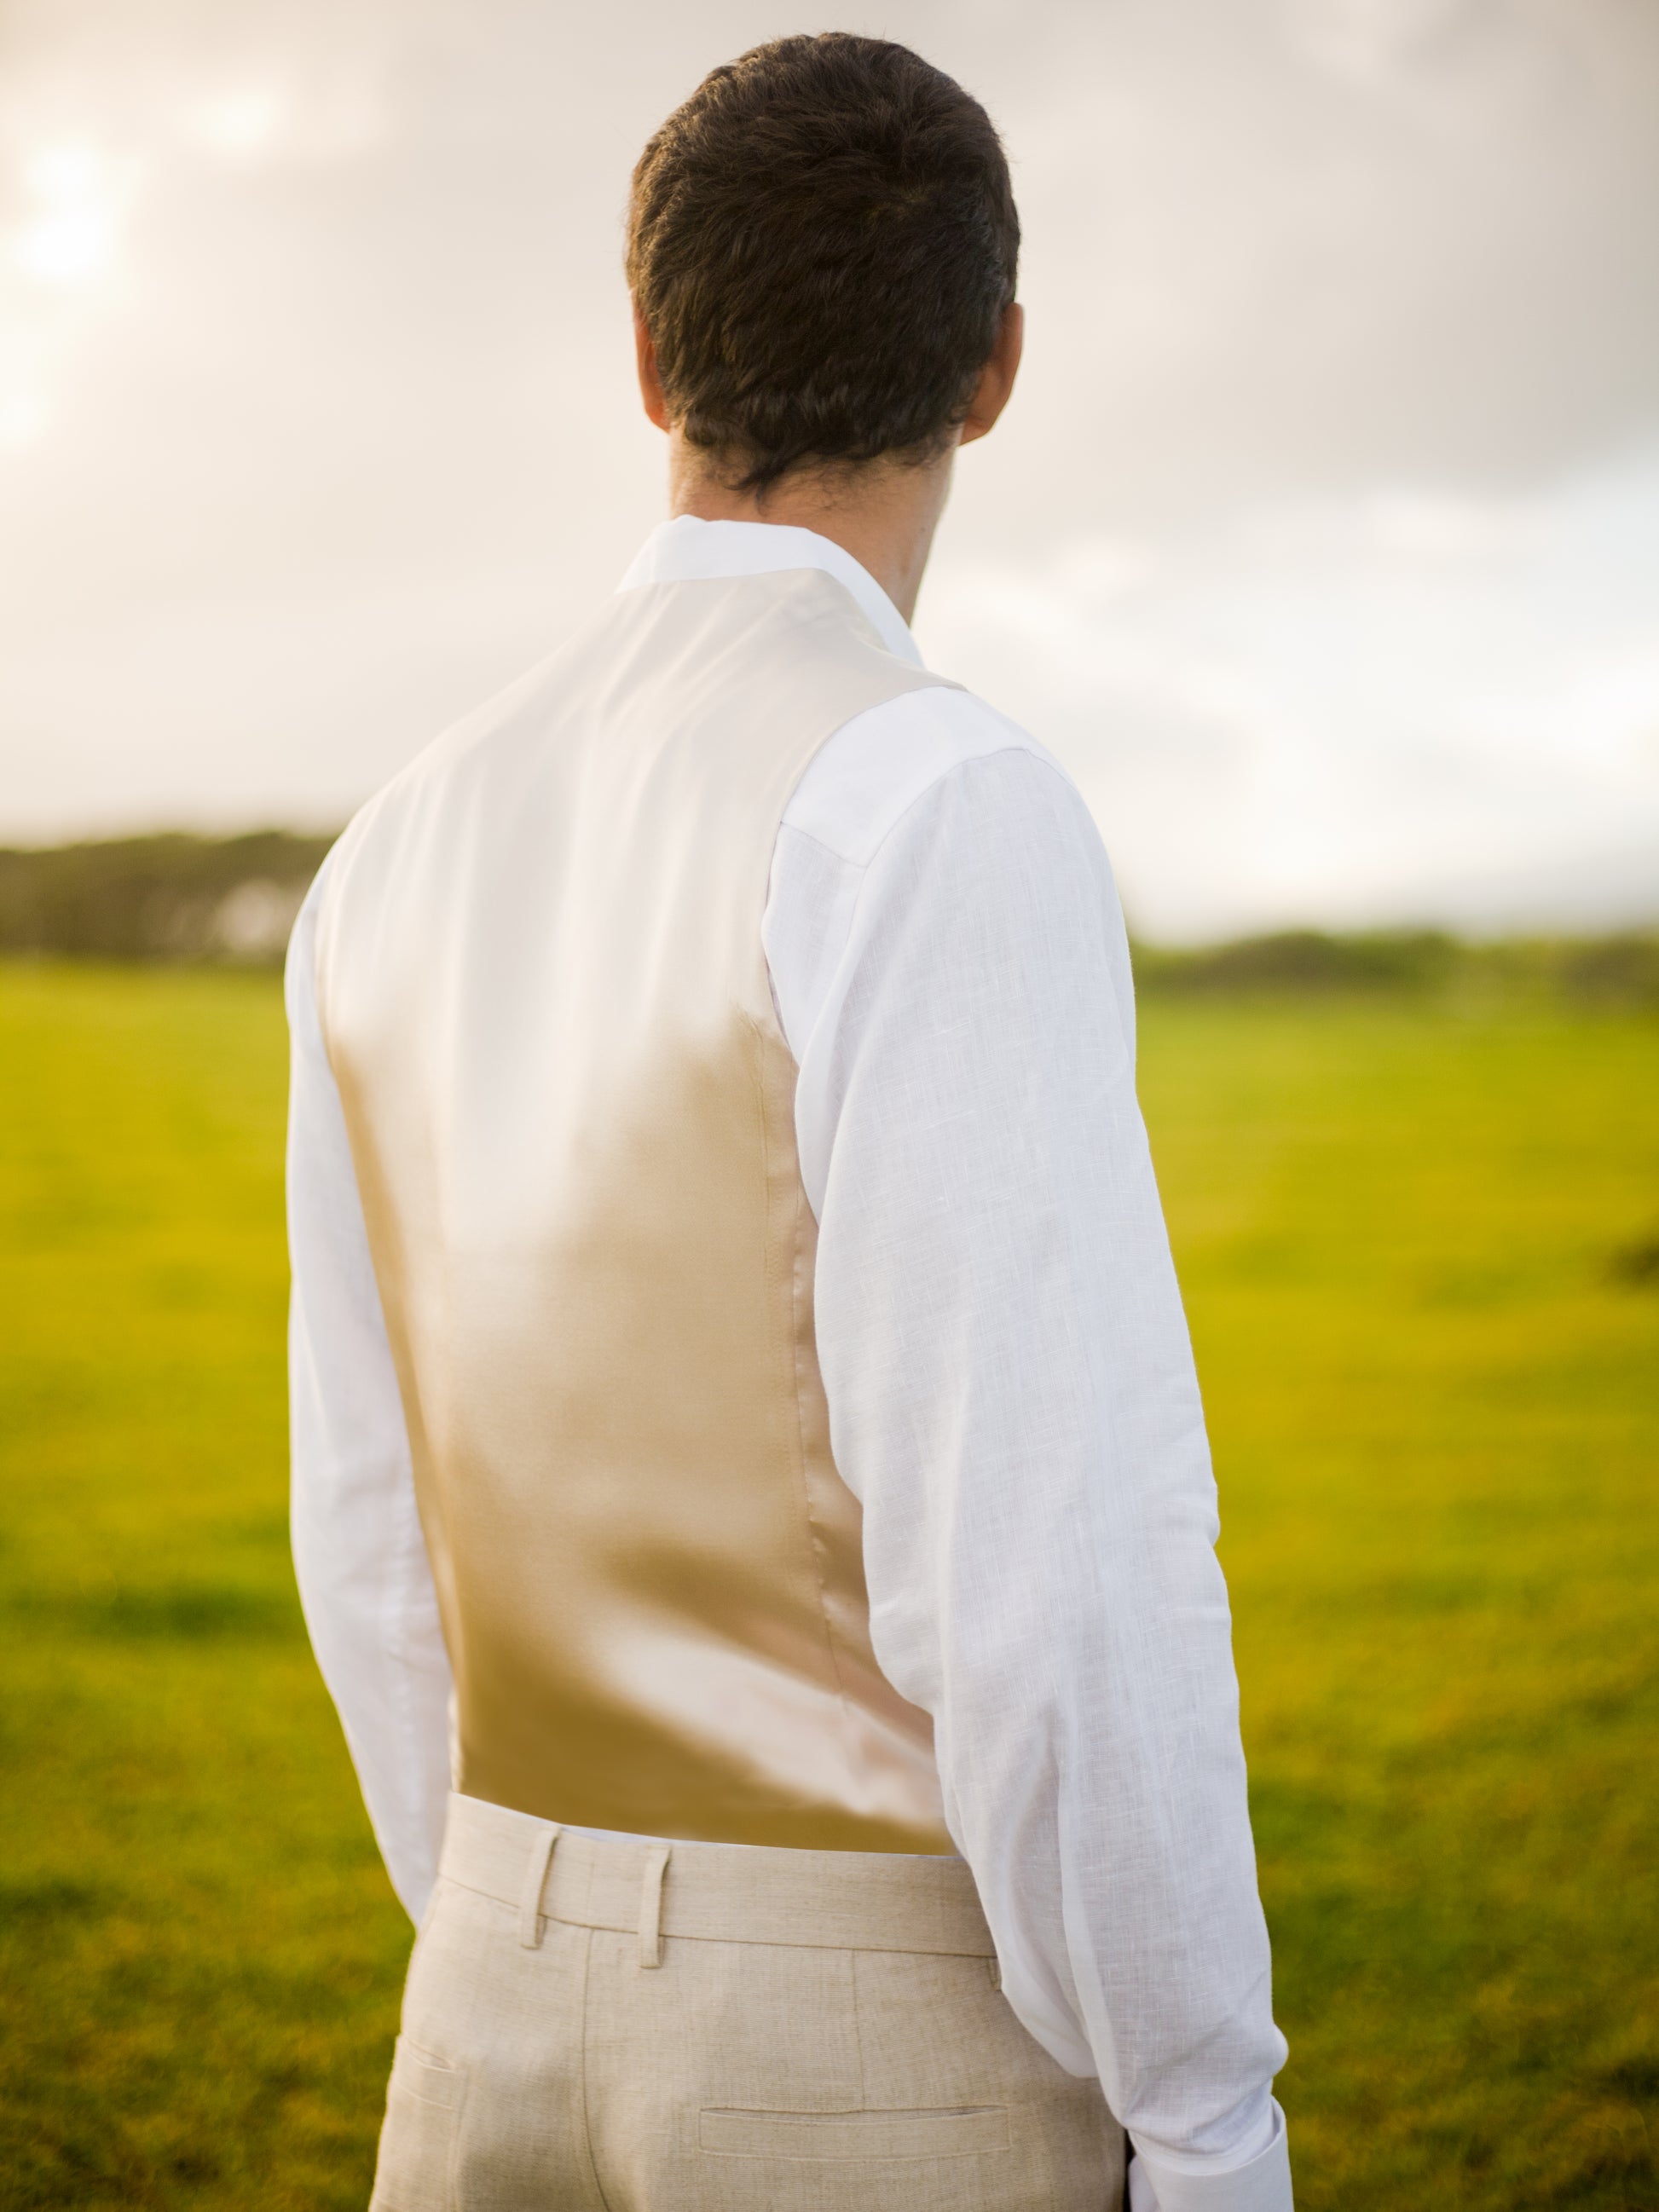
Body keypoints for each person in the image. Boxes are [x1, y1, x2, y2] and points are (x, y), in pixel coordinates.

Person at [285, 32, 1292, 2212]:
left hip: (476, 1993)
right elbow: (1041, 1574)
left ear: (648, 354)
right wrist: (1208, 2109)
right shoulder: (935, 800)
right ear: (998, 364)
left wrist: (505, 1918)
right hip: (866, 2042)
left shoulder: (390, 844)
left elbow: (365, 1526)